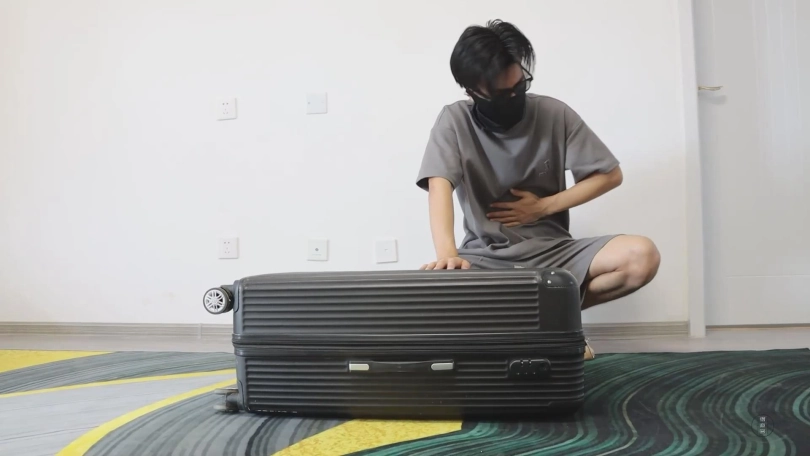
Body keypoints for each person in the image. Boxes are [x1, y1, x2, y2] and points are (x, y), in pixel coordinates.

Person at [415, 20, 661, 360]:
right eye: (500, 94)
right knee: (427, 297)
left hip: (554, 254)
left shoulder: (553, 113)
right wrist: (448, 256)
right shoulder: (454, 121)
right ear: (470, 90)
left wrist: (544, 206)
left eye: (519, 86)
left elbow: (609, 175)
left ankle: (548, 322)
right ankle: (535, 326)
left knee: (642, 256)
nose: (513, 97)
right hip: (486, 256)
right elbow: (439, 186)